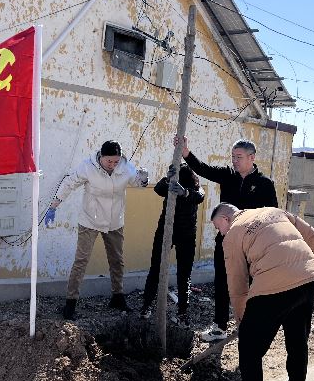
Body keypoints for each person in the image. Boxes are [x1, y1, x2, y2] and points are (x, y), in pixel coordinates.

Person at [210, 203, 314, 381]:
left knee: (249, 343)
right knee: (297, 340)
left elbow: (237, 283)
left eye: (218, 227)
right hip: (310, 278)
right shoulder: (274, 211)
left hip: (275, 282)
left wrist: (241, 320)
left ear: (226, 219)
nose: (220, 233)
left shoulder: (232, 234)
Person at [175, 135, 278, 342]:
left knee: (251, 285)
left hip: (251, 245)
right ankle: (219, 327)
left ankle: (251, 326)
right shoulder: (227, 175)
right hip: (225, 241)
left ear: (252, 157)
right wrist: (186, 153)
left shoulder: (264, 184)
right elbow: (203, 169)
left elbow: (272, 215)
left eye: (239, 157)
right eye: (233, 156)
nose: (234, 161)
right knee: (222, 282)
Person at [47, 140, 148, 320]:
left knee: (117, 260)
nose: (113, 165)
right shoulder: (87, 166)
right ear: (101, 156)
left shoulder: (125, 167)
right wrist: (54, 204)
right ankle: (70, 303)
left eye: (116, 161)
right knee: (81, 261)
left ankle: (118, 297)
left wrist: (144, 177)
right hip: (89, 220)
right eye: (109, 161)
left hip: (114, 221)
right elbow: (70, 182)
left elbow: (138, 182)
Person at [140, 163, 205, 325]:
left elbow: (199, 196)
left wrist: (185, 192)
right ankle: (146, 306)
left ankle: (182, 312)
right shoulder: (170, 185)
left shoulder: (195, 188)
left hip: (186, 235)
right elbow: (158, 189)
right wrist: (167, 179)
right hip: (165, 231)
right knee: (155, 269)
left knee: (184, 274)